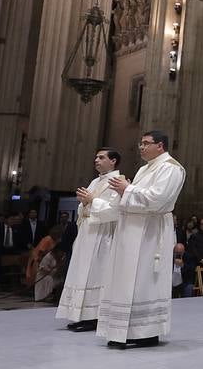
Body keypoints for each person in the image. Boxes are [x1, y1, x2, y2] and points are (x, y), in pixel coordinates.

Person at [97, 130, 186, 349]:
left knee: (145, 280)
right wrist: (124, 191)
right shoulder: (145, 169)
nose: (141, 147)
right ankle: (126, 330)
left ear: (161, 146)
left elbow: (158, 199)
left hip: (151, 233)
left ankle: (146, 332)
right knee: (129, 280)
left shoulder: (171, 168)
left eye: (146, 143)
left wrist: (128, 188)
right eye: (141, 144)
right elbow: (135, 197)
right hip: (133, 231)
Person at [57, 147, 124, 331]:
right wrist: (84, 202)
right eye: (96, 157)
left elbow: (115, 211)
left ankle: (94, 317)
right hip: (87, 233)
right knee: (80, 274)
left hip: (102, 236)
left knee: (95, 275)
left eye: (101, 157)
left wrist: (92, 200)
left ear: (113, 161)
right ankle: (79, 315)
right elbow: (84, 209)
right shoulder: (95, 181)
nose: (96, 160)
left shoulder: (119, 181)